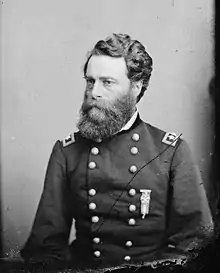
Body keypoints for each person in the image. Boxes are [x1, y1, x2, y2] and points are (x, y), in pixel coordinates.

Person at [20, 33, 213, 269]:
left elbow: (193, 245)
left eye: (107, 82)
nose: (94, 92)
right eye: (90, 81)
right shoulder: (66, 152)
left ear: (136, 87)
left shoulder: (171, 152)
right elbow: (46, 245)